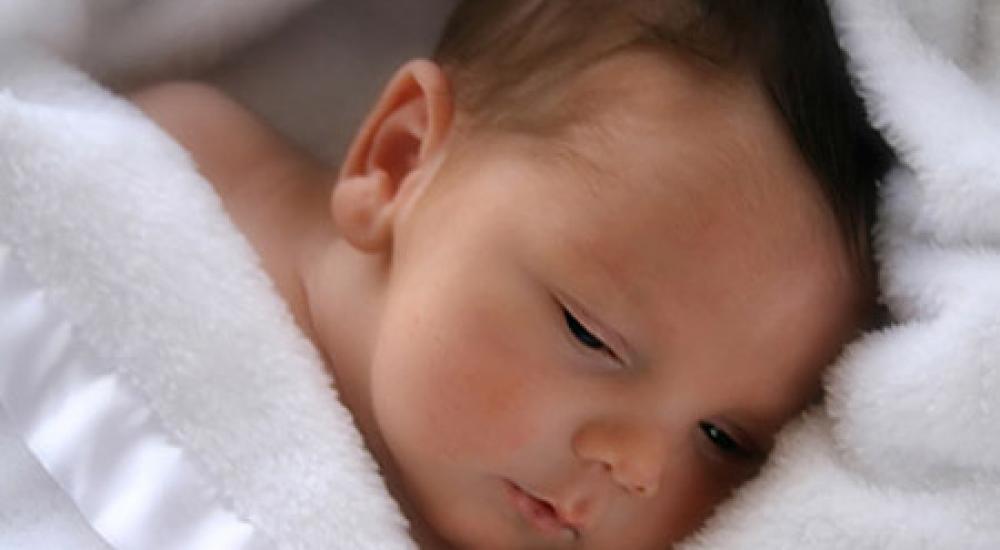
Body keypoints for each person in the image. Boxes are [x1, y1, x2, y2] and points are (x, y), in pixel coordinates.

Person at [129, 0, 893, 547]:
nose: (639, 466)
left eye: (724, 439)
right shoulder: (178, 170)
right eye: (589, 334)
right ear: (399, 160)